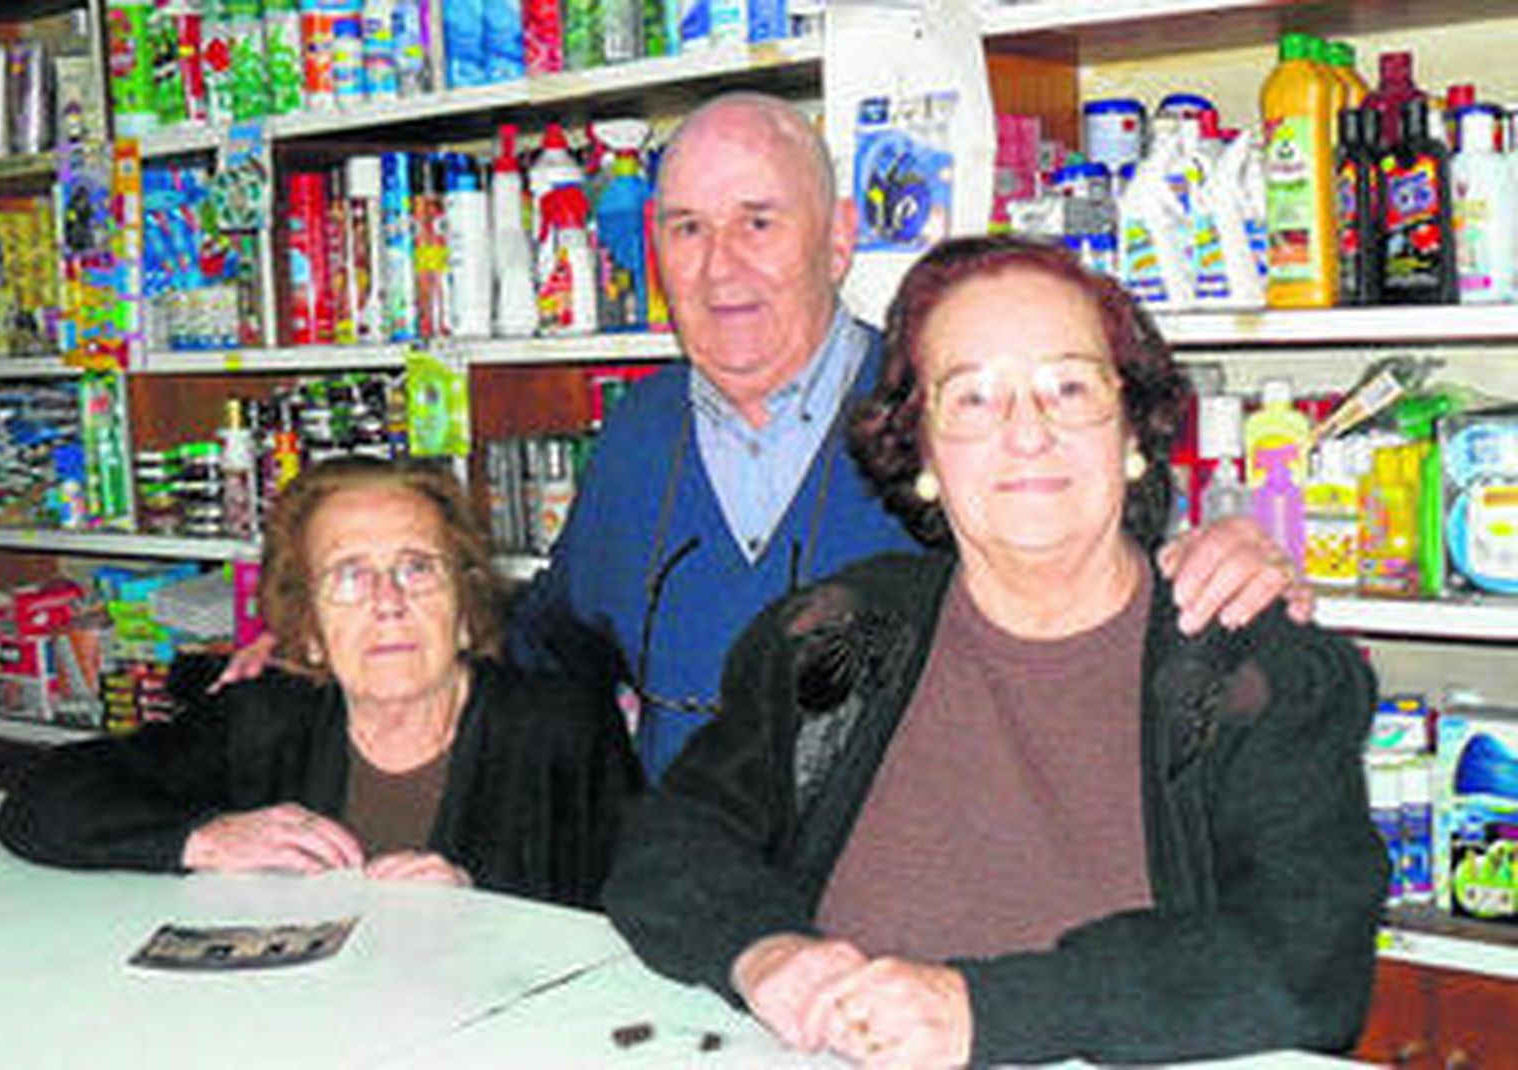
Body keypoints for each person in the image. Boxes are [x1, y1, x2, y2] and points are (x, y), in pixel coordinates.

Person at [220, 92, 1311, 782]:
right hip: (680, 902)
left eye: (758, 221)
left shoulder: (941, 407)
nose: (718, 265)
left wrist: (1221, 556)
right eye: (685, 228)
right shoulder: (640, 430)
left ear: (838, 238)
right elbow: (547, 639)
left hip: (908, 923)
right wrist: (340, 654)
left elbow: (1105, 582)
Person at [602, 236, 1387, 1067]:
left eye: (1070, 387)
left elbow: (1305, 958)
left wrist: (984, 1010)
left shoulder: (1250, 666)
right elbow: (673, 840)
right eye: (974, 399)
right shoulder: (838, 632)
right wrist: (765, 952)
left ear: (1131, 434)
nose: (1027, 433)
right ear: (924, 453)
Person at [0, 457, 641, 909]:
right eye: (350, 577)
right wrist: (205, 839)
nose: (388, 602)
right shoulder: (267, 717)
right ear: (305, 628)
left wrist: (481, 913)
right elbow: (41, 801)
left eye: (417, 569)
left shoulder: (561, 726)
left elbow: (638, 907)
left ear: (467, 609)